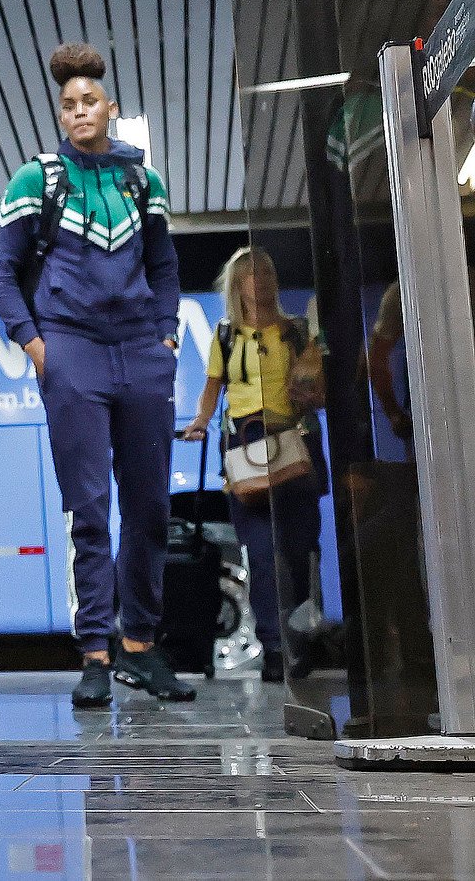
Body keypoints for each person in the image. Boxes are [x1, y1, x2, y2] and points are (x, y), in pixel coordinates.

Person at [0, 42, 191, 707]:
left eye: (89, 101)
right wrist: (37, 346)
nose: (79, 111)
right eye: (68, 104)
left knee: (151, 503)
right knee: (89, 508)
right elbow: (0, 274)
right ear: (61, 113)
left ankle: (140, 645)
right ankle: (96, 651)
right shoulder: (35, 178)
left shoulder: (143, 181)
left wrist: (166, 334)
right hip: (70, 346)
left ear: (111, 107)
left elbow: (163, 266)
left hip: (140, 349)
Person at [181, 247, 326, 683]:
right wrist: (201, 422)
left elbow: (317, 389)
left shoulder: (296, 331)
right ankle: (276, 646)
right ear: (237, 285)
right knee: (262, 557)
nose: (259, 282)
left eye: (266, 273)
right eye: (250, 275)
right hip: (248, 445)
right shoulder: (226, 336)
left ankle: (301, 639)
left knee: (300, 552)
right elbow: (212, 389)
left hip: (294, 443)